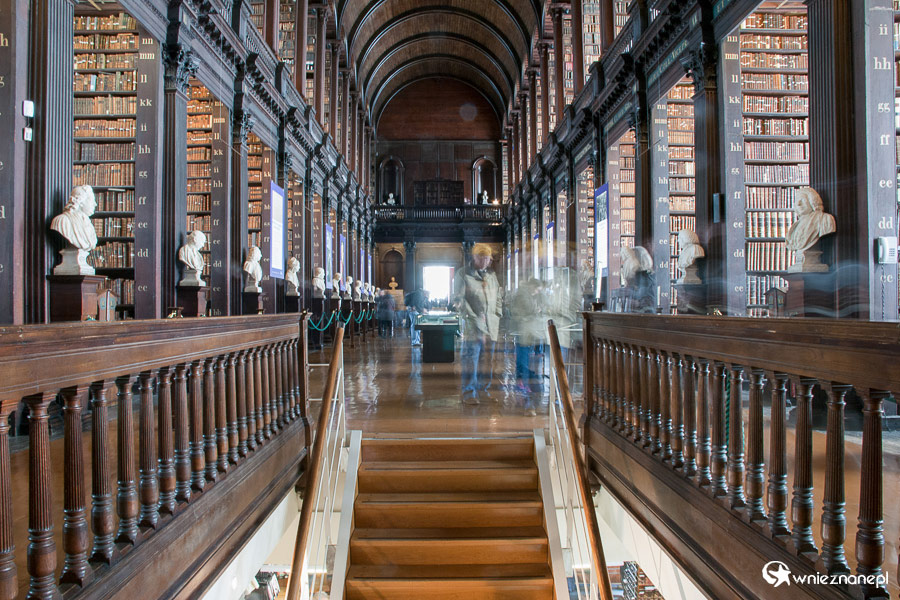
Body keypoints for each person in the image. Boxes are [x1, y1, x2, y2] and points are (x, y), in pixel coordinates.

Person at [452, 244, 502, 404]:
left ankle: (483, 390)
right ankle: (469, 393)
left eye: (487, 258)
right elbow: (460, 301)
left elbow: (498, 296)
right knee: (471, 359)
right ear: (474, 257)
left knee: (487, 361)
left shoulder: (491, 276)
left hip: (491, 326)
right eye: (481, 257)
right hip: (472, 326)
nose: (485, 261)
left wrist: (497, 314)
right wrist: (477, 322)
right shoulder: (463, 274)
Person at [785, 187, 836, 272]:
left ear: (813, 202)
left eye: (803, 200)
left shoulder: (825, 220)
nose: (798, 204)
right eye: (797, 200)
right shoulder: (795, 227)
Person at [509, 278, 544, 401]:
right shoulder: (523, 295)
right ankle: (523, 383)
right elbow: (529, 309)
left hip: (525, 329)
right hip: (523, 329)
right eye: (537, 290)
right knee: (523, 357)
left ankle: (522, 382)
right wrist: (536, 310)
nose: (537, 293)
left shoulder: (525, 294)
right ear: (532, 286)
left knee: (523, 356)